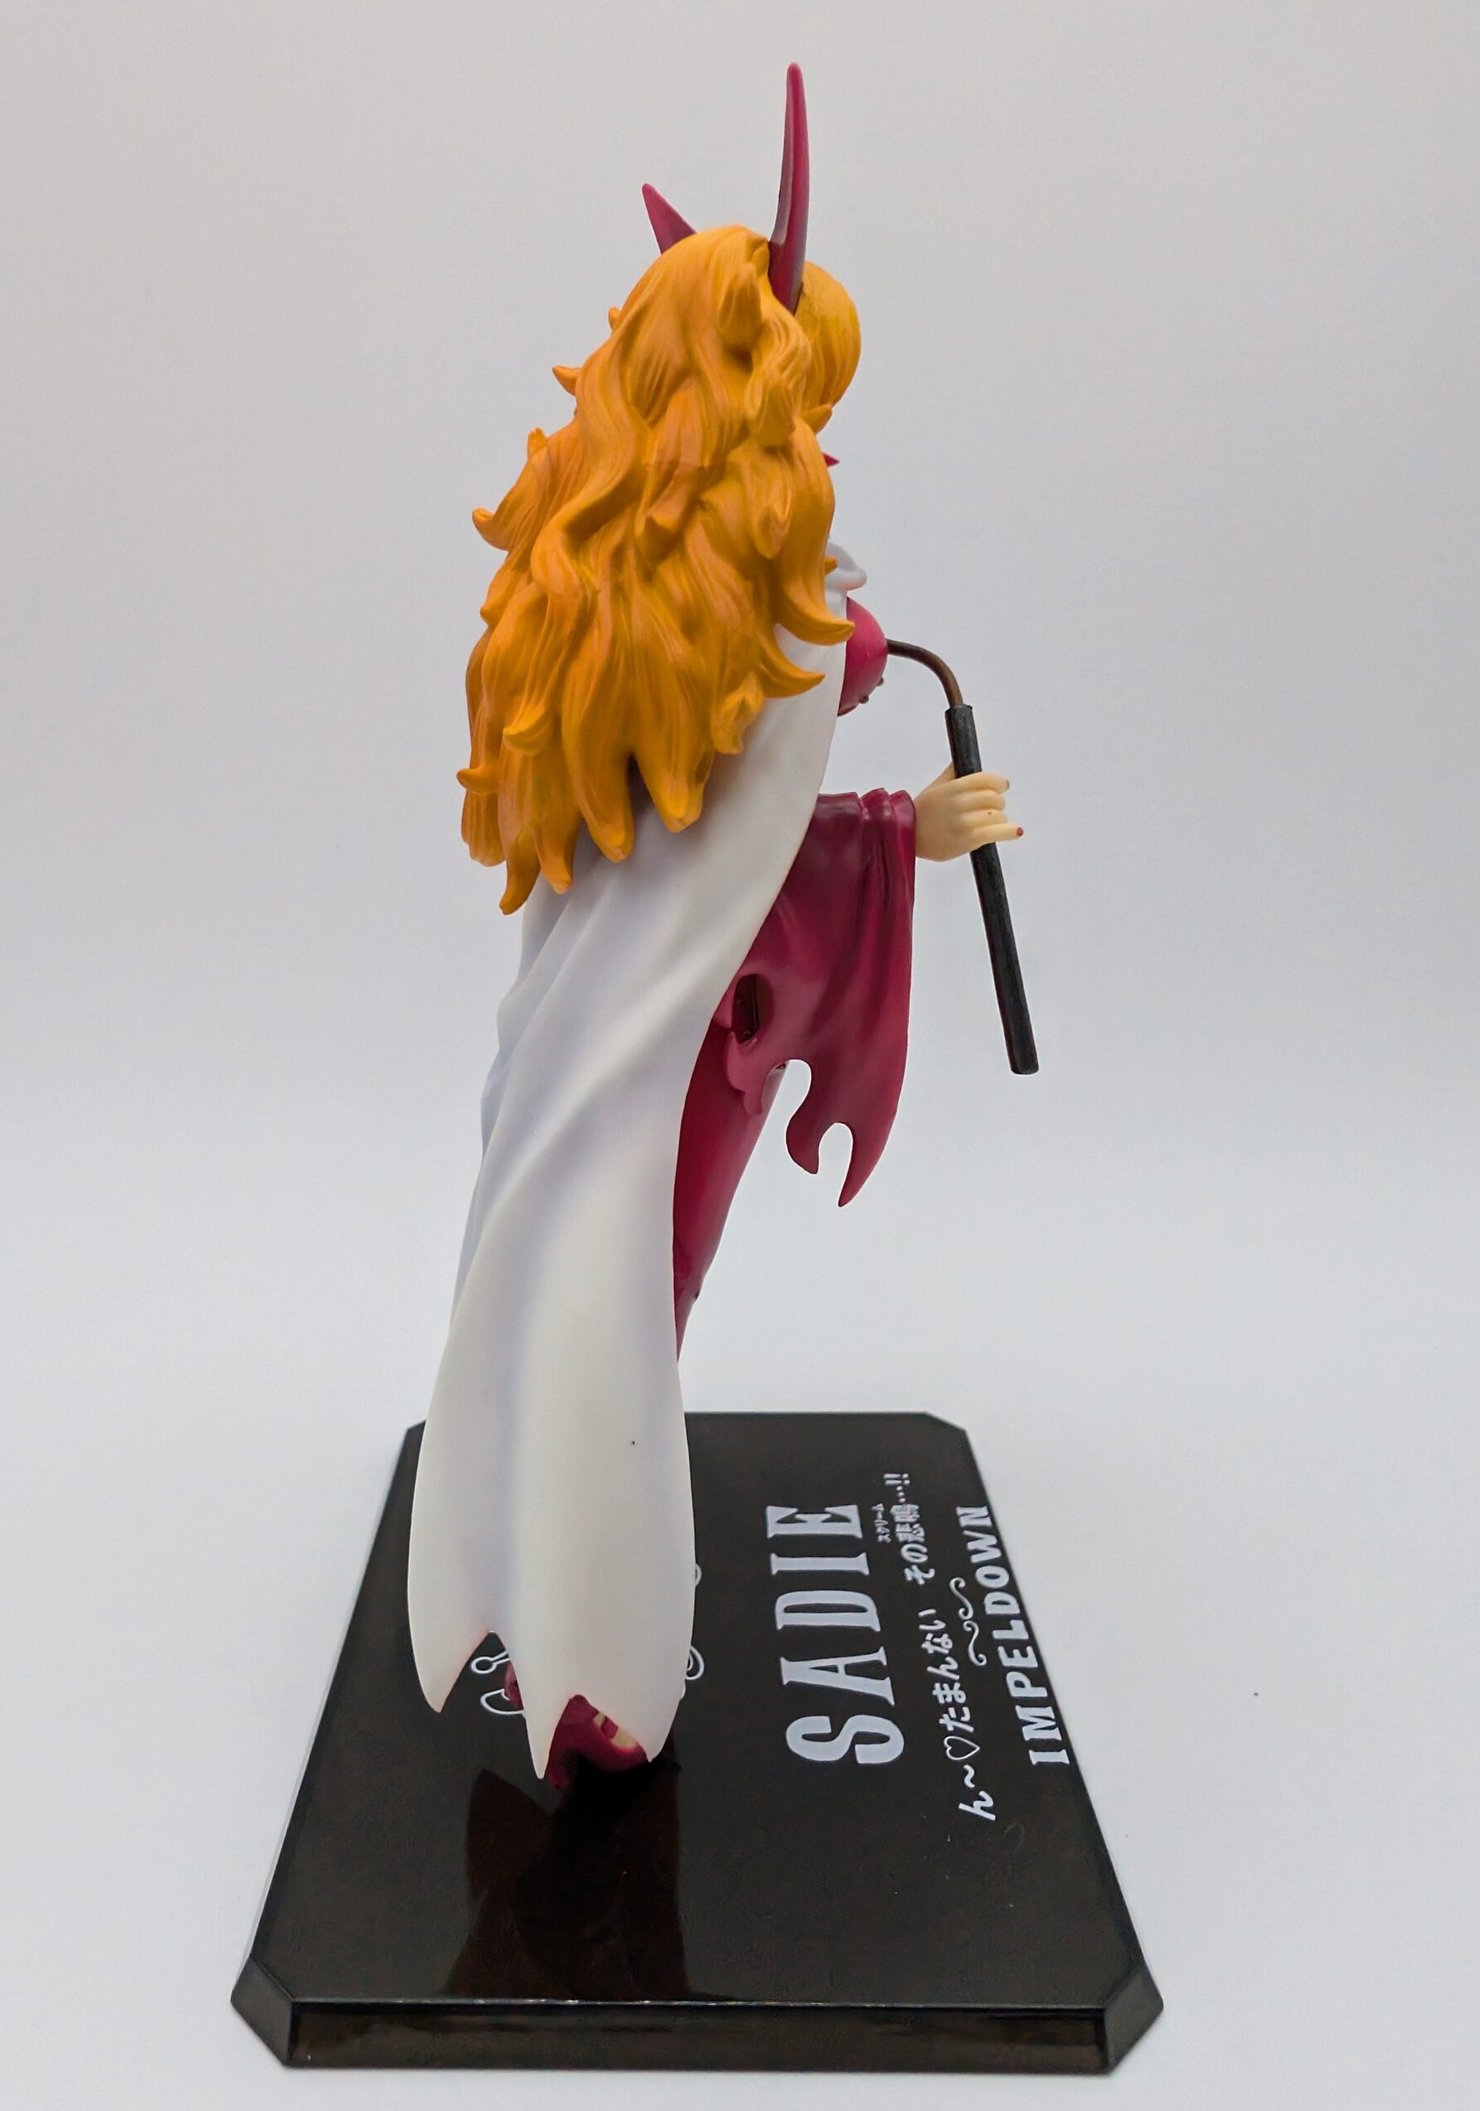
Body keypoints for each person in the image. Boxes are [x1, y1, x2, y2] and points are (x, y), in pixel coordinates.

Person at [407, 70, 1020, 1787]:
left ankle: (554, 1598)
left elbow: (699, 844)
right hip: (687, 1039)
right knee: (627, 1296)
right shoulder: (766, 609)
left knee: (591, 1286)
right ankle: (595, 1668)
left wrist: (885, 816)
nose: (820, 446)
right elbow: (732, 857)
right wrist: (899, 832)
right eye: (808, 405)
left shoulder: (610, 579)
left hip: (607, 1031)